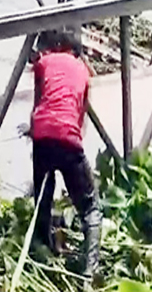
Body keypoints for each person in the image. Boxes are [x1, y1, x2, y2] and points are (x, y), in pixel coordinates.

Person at [26, 28, 101, 280]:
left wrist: (35, 134)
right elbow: (79, 120)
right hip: (68, 139)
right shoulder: (84, 72)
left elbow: (38, 105)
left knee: (42, 201)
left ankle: (42, 255)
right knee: (91, 208)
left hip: (43, 137)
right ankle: (89, 273)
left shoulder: (43, 63)